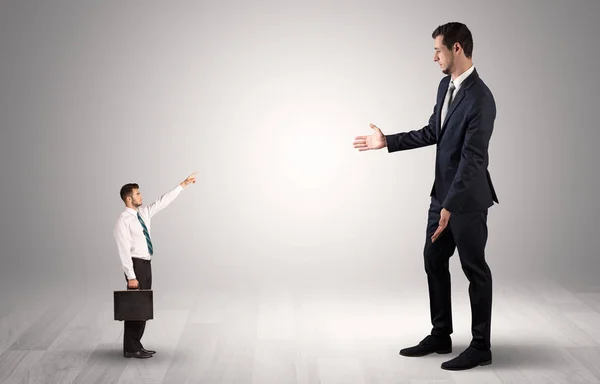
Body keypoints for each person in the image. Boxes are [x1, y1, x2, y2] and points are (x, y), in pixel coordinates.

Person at [353, 22, 498, 371]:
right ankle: (441, 334)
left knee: (473, 268)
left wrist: (450, 205)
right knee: (433, 260)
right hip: (442, 197)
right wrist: (387, 141)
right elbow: (434, 131)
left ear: (457, 48)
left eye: (438, 50)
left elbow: (473, 159)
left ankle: (480, 346)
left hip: (467, 200)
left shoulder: (481, 98)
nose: (434, 57)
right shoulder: (444, 87)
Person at [113, 172, 197, 358]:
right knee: (135, 307)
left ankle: (136, 344)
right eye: (137, 194)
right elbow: (123, 250)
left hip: (146, 264)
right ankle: (131, 348)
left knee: (143, 306)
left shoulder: (143, 214)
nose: (141, 196)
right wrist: (131, 276)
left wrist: (182, 185)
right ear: (128, 198)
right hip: (135, 266)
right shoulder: (123, 221)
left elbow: (163, 201)